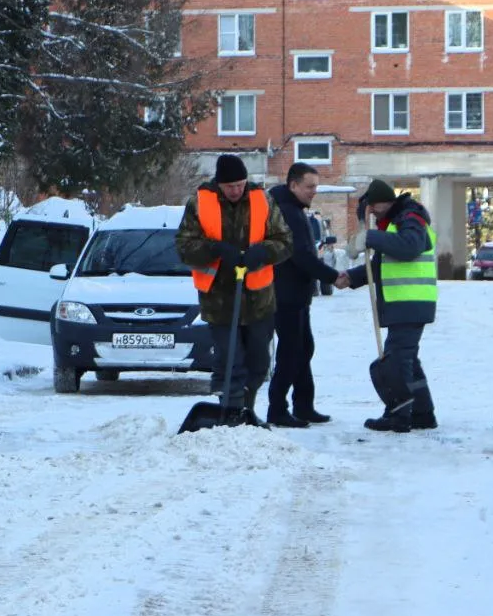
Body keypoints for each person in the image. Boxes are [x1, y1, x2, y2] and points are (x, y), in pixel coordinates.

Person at [175, 154, 293, 427]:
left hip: (259, 299)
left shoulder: (263, 201)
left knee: (258, 362)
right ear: (219, 184)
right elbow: (183, 246)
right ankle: (230, 414)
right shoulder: (199, 204)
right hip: (220, 301)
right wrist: (214, 249)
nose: (237, 190)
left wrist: (263, 252)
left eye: (241, 184)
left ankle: (245, 411)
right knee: (230, 362)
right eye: (231, 186)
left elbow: (285, 241)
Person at [337, 179, 438, 433]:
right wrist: (353, 277)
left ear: (383, 202)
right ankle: (423, 413)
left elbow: (409, 248)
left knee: (396, 361)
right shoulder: (396, 221)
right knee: (408, 360)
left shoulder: (410, 217)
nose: (372, 213)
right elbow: (385, 263)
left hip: (409, 301)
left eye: (373, 208)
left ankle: (398, 415)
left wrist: (371, 236)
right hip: (406, 302)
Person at [265, 163, 342, 428]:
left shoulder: (293, 209)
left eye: (316, 187)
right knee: (291, 351)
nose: (314, 192)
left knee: (303, 347)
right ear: (293, 185)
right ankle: (277, 408)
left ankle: (304, 405)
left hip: (295, 293)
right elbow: (301, 256)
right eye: (309, 187)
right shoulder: (287, 212)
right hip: (284, 293)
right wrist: (333, 277)